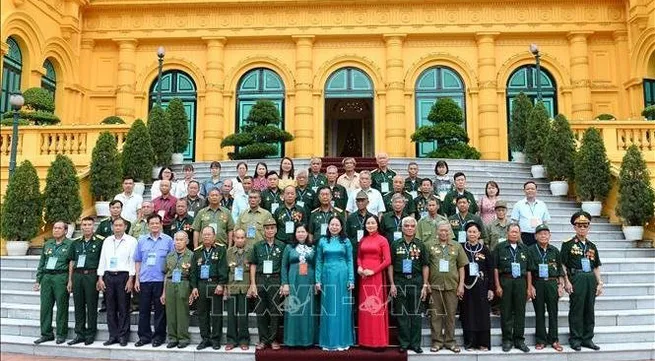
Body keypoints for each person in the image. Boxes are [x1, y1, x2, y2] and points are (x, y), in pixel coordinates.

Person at [561, 211, 603, 351]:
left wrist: (600, 283)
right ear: (575, 227)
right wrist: (566, 281)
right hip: (576, 277)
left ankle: (587, 338)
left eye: (585, 225)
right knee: (576, 309)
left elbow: (596, 266)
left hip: (590, 278)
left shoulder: (592, 246)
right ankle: (575, 339)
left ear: (589, 227)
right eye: (579, 225)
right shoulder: (568, 244)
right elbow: (563, 264)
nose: (582, 228)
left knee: (589, 309)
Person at [425, 221, 468, 353]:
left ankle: (450, 342)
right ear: (437, 231)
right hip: (435, 286)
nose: (444, 233)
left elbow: (461, 266)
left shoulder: (456, 246)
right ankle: (437, 342)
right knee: (435, 316)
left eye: (446, 230)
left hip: (452, 286)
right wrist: (426, 283)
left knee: (450, 316)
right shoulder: (429, 245)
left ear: (450, 232)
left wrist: (461, 285)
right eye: (441, 230)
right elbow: (426, 266)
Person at [389, 217, 429, 354]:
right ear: (402, 227)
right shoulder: (395, 244)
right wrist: (392, 284)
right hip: (400, 280)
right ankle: (404, 343)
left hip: (416, 281)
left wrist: (425, 285)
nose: (410, 228)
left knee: (416, 314)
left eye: (412, 226)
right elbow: (391, 265)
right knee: (402, 314)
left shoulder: (420, 244)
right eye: (407, 225)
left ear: (415, 228)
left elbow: (425, 266)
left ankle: (415, 343)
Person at [134, 214, 175, 348]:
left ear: (161, 223)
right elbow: (138, 260)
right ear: (148, 225)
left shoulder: (168, 241)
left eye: (157, 223)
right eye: (152, 223)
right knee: (144, 310)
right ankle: (144, 336)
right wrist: (137, 280)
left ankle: (159, 337)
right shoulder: (141, 240)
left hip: (160, 280)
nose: (155, 226)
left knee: (160, 311)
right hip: (145, 279)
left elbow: (172, 261)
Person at [315, 216, 355, 351]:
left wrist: (351, 279)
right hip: (327, 276)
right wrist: (317, 280)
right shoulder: (322, 241)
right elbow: (319, 261)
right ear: (328, 226)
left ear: (341, 227)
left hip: (342, 275)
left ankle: (343, 341)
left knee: (342, 308)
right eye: (332, 224)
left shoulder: (346, 241)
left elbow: (350, 261)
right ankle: (328, 341)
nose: (334, 227)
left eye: (337, 225)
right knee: (328, 308)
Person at [96, 218, 137, 347]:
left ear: (125, 227)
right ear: (112, 227)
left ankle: (123, 336)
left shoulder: (131, 241)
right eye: (115, 225)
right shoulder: (107, 241)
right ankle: (112, 335)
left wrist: (131, 279)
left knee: (123, 307)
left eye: (120, 225)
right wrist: (100, 277)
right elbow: (102, 259)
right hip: (108, 276)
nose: (118, 227)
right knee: (110, 308)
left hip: (123, 276)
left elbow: (132, 260)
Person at [33, 221, 74, 345]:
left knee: (62, 307)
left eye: (59, 228)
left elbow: (72, 263)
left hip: (61, 277)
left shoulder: (70, 244)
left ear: (65, 231)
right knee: (45, 307)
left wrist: (70, 280)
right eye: (55, 228)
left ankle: (61, 334)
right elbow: (42, 263)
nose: (56, 230)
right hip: (47, 277)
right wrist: (38, 280)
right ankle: (46, 334)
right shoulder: (47, 244)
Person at [248, 218, 285, 351]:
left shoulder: (282, 246)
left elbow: (283, 266)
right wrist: (252, 284)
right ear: (263, 230)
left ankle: (273, 338)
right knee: (261, 311)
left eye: (272, 228)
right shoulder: (257, 246)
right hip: (260, 280)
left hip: (275, 279)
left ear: (276, 230)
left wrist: (283, 283)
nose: (269, 230)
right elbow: (253, 265)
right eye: (267, 228)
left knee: (275, 311)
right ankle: (263, 339)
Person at [527, 224, 564, 352]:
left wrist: (560, 285)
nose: (543, 236)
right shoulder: (530, 250)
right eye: (540, 234)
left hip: (552, 283)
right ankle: (541, 340)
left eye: (546, 233)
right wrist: (530, 286)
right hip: (538, 283)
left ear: (550, 236)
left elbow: (560, 269)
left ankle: (554, 339)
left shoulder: (554, 250)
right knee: (539, 312)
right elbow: (529, 271)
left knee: (553, 312)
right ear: (535, 236)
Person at [494, 223, 531, 352]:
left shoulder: (525, 248)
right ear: (507, 233)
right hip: (506, 281)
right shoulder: (500, 247)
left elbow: (529, 270)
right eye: (512, 232)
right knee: (506, 311)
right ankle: (507, 340)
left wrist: (529, 287)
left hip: (521, 282)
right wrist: (497, 285)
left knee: (520, 312)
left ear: (520, 233)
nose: (514, 234)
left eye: (517, 232)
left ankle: (519, 340)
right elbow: (495, 269)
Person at [190, 226, 229, 350]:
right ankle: (205, 338)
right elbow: (193, 272)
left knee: (216, 313)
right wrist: (194, 287)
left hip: (215, 284)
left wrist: (221, 284)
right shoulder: (197, 252)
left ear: (214, 236)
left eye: (209, 234)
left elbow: (224, 268)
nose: (206, 236)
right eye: (204, 234)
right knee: (202, 313)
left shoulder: (221, 249)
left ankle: (215, 339)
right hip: (201, 284)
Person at [357, 215, 391, 349]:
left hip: (375, 277)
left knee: (375, 307)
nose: (370, 225)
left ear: (377, 225)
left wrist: (374, 271)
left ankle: (378, 341)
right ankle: (365, 341)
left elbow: (387, 260)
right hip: (364, 277)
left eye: (373, 223)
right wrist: (359, 267)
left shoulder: (383, 240)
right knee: (365, 308)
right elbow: (359, 256)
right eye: (368, 223)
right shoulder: (363, 240)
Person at [460, 221, 494, 351]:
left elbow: (490, 269)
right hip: (467, 286)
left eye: (474, 232)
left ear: (479, 234)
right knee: (468, 315)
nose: (472, 234)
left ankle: (483, 343)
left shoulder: (485, 249)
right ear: (466, 233)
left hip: (482, 287)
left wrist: (491, 288)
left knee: (483, 315)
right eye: (470, 232)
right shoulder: (461, 248)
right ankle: (470, 343)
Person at [68, 217, 103, 345]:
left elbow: (102, 261)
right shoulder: (76, 242)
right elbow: (72, 261)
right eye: (84, 225)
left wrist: (100, 278)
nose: (86, 227)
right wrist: (70, 280)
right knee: (78, 305)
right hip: (78, 276)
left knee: (92, 305)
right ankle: (79, 333)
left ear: (93, 226)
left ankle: (90, 333)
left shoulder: (100, 242)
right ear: (81, 227)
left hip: (91, 276)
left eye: (89, 224)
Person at [281, 224, 317, 347]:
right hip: (293, 281)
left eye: (303, 231)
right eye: (298, 232)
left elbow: (317, 266)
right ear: (295, 234)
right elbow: (284, 267)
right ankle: (292, 340)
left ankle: (307, 340)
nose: (300, 234)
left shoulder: (313, 248)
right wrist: (284, 283)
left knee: (307, 310)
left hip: (308, 282)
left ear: (307, 233)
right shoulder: (289, 248)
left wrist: (317, 282)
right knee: (294, 309)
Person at [161, 231, 194, 349]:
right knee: (170, 313)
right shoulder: (169, 255)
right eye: (176, 240)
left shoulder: (191, 256)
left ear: (187, 241)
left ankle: (183, 338)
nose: (178, 242)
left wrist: (191, 292)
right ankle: (172, 338)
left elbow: (193, 275)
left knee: (182, 312)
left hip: (183, 283)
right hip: (170, 283)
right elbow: (166, 274)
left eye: (181, 240)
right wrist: (163, 293)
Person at [225, 229, 252, 351]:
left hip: (245, 288)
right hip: (232, 287)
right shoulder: (229, 252)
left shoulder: (250, 252)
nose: (240, 240)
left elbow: (253, 270)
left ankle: (244, 340)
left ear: (245, 238)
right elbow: (225, 271)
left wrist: (252, 286)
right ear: (234, 238)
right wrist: (225, 288)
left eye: (242, 237)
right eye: (238, 237)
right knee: (231, 314)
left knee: (243, 315)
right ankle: (231, 340)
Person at [510, 181, 551, 246]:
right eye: (528, 189)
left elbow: (545, 222)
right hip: (524, 235)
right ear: (524, 191)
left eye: (532, 189)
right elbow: (514, 222)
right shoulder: (518, 204)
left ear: (536, 190)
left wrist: (546, 236)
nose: (530, 190)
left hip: (539, 235)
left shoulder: (542, 204)